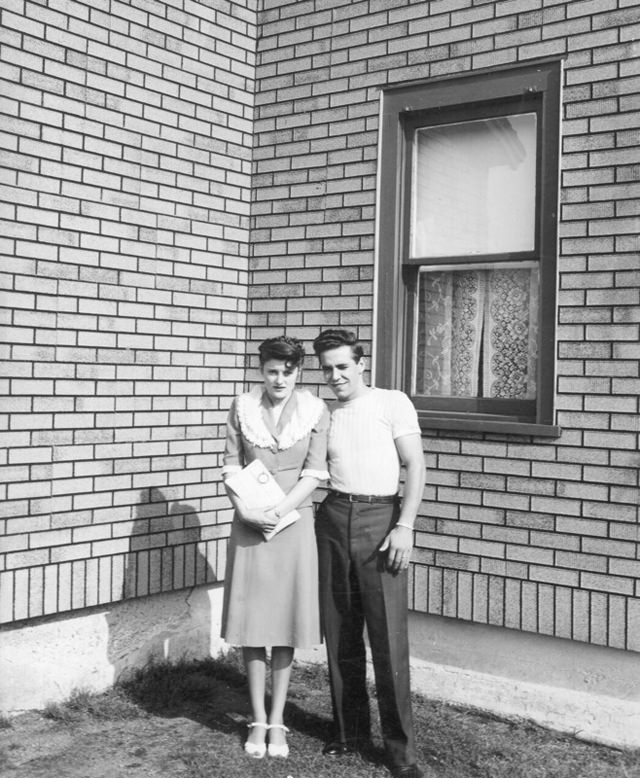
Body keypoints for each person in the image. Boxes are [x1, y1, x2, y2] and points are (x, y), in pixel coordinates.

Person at [312, 328, 426, 778]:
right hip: (335, 516)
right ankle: (349, 733)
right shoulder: (325, 415)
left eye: (343, 365)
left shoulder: (391, 402)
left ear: (361, 364)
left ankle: (400, 753)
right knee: (340, 631)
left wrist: (405, 526)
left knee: (387, 639)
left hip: (382, 519)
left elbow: (414, 464)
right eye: (327, 368)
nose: (336, 375)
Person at [221, 335, 329, 760]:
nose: (279, 379)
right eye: (271, 370)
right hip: (249, 523)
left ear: (298, 372)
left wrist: (281, 510)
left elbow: (315, 471)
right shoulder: (242, 407)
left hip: (293, 522)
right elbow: (230, 466)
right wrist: (246, 511)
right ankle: (257, 718)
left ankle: (279, 720)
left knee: (284, 624)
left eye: (288, 371)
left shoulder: (314, 411)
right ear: (260, 370)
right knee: (252, 622)